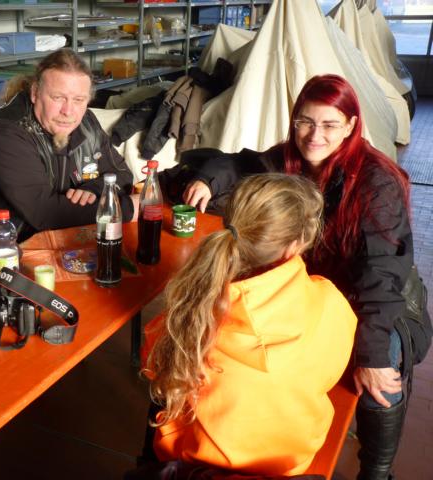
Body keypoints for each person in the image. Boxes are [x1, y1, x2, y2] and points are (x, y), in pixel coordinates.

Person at [167, 74, 431, 480]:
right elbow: (238, 162)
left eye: (329, 124)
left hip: (377, 297)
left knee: (381, 372)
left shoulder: (377, 182)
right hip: (315, 290)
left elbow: (381, 275)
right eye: (305, 122)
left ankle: (377, 471)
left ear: (351, 126)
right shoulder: (289, 159)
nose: (314, 136)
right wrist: (207, 179)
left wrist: (373, 356)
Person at [141, 174, 357, 477]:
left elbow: (155, 366)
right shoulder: (331, 302)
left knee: (163, 397)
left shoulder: (193, 315)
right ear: (295, 246)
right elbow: (328, 373)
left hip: (202, 465)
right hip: (292, 462)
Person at [0, 48, 138, 241]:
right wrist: (128, 209)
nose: (68, 111)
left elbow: (122, 174)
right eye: (58, 98)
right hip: (5, 248)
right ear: (35, 93)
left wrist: (93, 190)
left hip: (65, 239)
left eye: (78, 100)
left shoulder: (86, 122)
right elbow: (46, 213)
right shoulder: (4, 134)